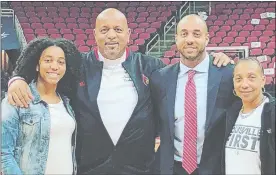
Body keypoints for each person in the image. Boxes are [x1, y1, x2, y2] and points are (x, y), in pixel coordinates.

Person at [6, 9, 232, 174]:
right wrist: (17, 78)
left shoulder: (152, 68)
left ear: (129, 34)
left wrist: (216, 61)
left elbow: (186, 70)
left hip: (139, 170)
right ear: (94, 34)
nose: (111, 35)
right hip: (90, 169)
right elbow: (47, 68)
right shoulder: (77, 66)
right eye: (104, 30)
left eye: (117, 29)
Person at [151, 14, 238, 175]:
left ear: (207, 38)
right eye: (184, 34)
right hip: (172, 168)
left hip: (215, 168)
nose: (189, 39)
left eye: (196, 34)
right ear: (176, 38)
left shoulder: (227, 75)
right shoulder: (161, 78)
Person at [1, 37, 81, 175]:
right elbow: (4, 154)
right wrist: (16, 79)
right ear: (37, 65)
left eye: (61, 62)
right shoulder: (17, 98)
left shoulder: (67, 102)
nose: (54, 66)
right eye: (48, 60)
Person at [223, 58, 275, 175]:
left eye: (251, 77)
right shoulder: (229, 115)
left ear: (263, 80)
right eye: (239, 79)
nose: (244, 85)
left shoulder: (272, 113)